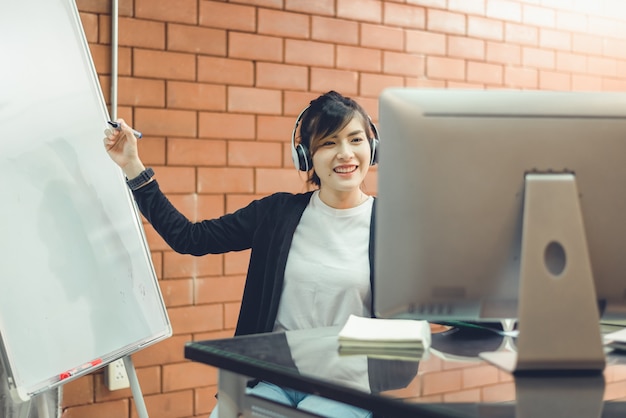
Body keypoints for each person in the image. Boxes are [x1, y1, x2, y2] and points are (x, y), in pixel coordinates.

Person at [104, 91, 379, 418]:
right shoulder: (278, 214)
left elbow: (406, 334)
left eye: (355, 139)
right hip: (272, 379)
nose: (345, 154)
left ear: (372, 148)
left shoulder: (391, 229)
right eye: (329, 143)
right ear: (305, 157)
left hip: (343, 387)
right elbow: (190, 238)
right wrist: (133, 166)